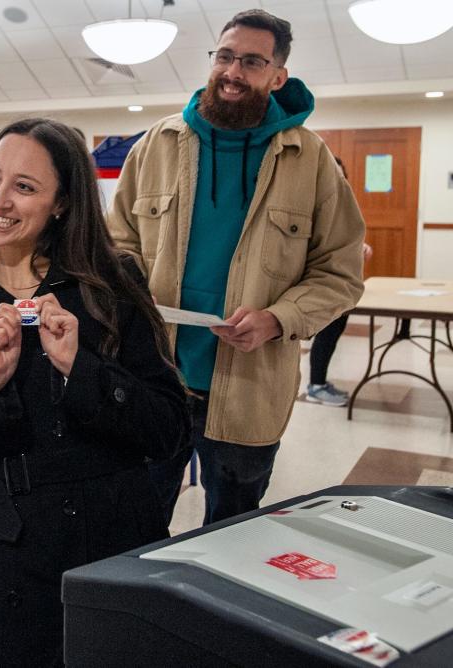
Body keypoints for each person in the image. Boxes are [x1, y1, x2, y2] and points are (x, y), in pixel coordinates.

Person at [0, 118, 189, 667]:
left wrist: (81, 370)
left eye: (25, 187)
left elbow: (169, 429)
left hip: (113, 537)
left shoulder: (111, 281)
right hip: (1, 549)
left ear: (62, 203)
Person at [108, 9, 366, 527]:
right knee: (134, 521)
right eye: (224, 56)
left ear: (277, 77)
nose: (232, 71)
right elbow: (118, 245)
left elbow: (340, 272)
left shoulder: (310, 160)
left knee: (232, 529)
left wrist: (278, 318)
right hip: (154, 380)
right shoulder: (154, 146)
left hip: (249, 392)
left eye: (252, 61)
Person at [307, 157, 374, 406]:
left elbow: (338, 239)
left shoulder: (338, 199)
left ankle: (318, 382)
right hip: (318, 284)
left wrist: (358, 248)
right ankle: (316, 385)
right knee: (326, 331)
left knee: (333, 330)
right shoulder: (309, 198)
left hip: (338, 284)